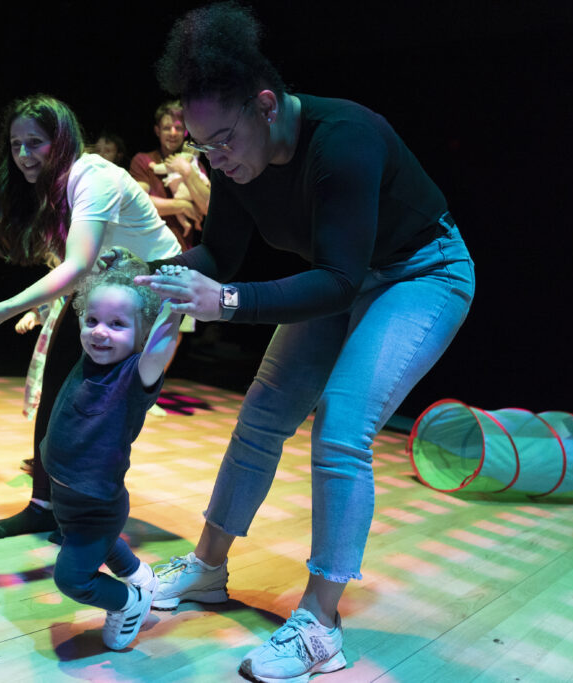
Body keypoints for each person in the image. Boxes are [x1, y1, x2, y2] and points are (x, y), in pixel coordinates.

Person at [135, 3, 476, 681]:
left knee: (341, 425)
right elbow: (221, 257)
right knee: (263, 411)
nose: (216, 159)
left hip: (421, 272)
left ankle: (321, 623)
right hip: (339, 273)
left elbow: (340, 282)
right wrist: (150, 278)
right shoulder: (234, 162)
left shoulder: (344, 139)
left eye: (225, 140)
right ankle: (207, 567)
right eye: (203, 147)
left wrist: (225, 304)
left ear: (267, 104)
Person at [0, 94, 181, 540]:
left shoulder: (93, 176)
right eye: (16, 144)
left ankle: (91, 513)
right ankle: (43, 505)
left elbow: (75, 264)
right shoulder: (30, 186)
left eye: (35, 142)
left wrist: (3, 308)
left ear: (62, 141)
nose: (23, 154)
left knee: (107, 403)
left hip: (153, 286)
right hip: (103, 284)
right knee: (55, 389)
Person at [44, 260, 184, 651]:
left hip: (96, 504)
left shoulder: (134, 376)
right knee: (88, 540)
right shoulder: (88, 358)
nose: (99, 333)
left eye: (117, 325)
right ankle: (140, 576)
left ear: (142, 336)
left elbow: (160, 349)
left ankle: (129, 601)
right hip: (68, 495)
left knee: (72, 578)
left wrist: (172, 310)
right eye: (91, 320)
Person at [129, 100, 210, 250]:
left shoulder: (194, 164)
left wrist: (187, 172)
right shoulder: (144, 160)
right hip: (147, 250)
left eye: (178, 128)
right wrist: (181, 206)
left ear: (186, 132)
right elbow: (137, 202)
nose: (173, 133)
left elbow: (209, 207)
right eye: (167, 128)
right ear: (157, 130)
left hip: (182, 252)